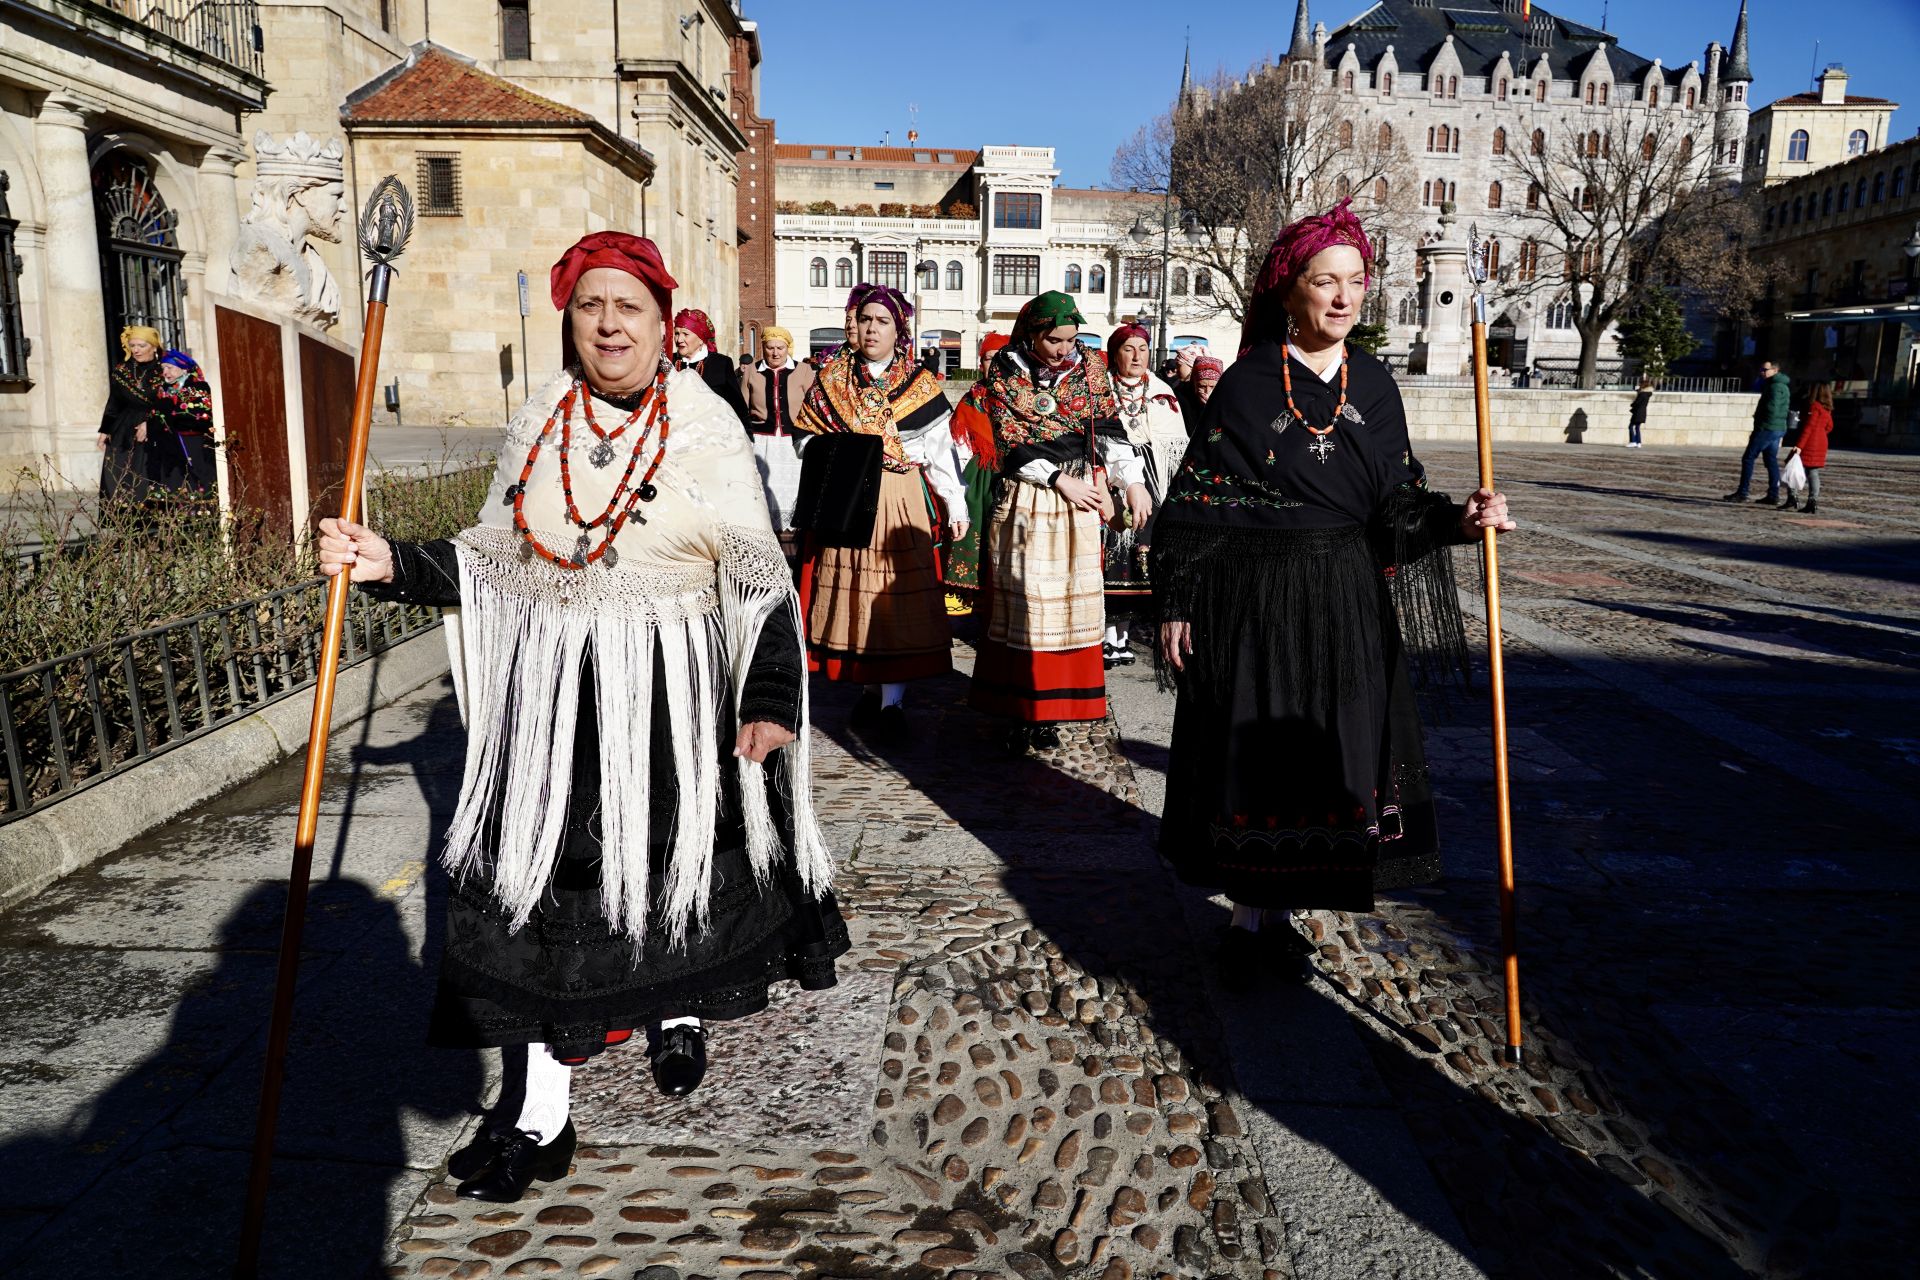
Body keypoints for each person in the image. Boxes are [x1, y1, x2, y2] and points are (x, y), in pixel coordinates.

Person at [314, 231, 848, 1202]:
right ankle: (540, 1117)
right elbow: (491, 556)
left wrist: (768, 698)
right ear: (570, 318)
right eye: (591, 305)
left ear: (658, 321)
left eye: (629, 307)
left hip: (674, 698)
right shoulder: (542, 423)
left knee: (672, 876)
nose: (609, 323)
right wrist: (390, 560)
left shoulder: (706, 423)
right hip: (556, 709)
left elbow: (760, 575)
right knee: (542, 911)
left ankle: (675, 1013)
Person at [1150, 199, 1513, 986]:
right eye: (1326, 282)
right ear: (1290, 290)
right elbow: (1197, 501)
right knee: (1258, 752)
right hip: (1253, 596)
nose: (1344, 298)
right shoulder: (1246, 384)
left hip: (1346, 596)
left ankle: (1289, 909)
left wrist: (1462, 516)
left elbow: (1398, 508)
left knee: (1328, 753)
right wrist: (1178, 600)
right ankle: (1253, 923)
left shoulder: (1376, 386)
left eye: (1355, 282)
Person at [956, 291, 1150, 753]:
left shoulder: (1091, 369)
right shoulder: (1003, 371)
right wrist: (1059, 478)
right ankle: (1019, 707)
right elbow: (1009, 444)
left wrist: (1131, 482)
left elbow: (1109, 430)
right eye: (1056, 340)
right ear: (1033, 334)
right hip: (1030, 496)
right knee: (1027, 604)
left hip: (1079, 499)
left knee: (1068, 605)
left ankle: (1056, 705)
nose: (1066, 349)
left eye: (1072, 338)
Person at [793, 283, 968, 741]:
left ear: (899, 331)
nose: (872, 329)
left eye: (883, 321)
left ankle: (893, 702)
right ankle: (870, 691)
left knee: (892, 600)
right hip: (849, 497)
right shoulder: (831, 378)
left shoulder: (919, 385)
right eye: (865, 319)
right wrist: (841, 449)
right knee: (858, 598)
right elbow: (803, 440)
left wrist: (955, 502)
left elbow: (939, 451)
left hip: (897, 494)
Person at [1101, 323, 1184, 667]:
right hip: (1110, 478)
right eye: (1128, 349)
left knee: (1139, 556)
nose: (1137, 356)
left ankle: (1124, 634)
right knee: (1112, 555)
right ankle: (1106, 636)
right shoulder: (1099, 389)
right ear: (1115, 353)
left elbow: (1174, 441)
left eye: (1143, 349)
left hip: (1152, 481)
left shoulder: (1162, 390)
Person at [737, 325, 815, 531]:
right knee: (763, 486)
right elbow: (742, 406)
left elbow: (814, 405)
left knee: (794, 487)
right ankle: (765, 528)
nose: (775, 353)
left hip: (793, 441)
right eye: (770, 347)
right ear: (763, 347)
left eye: (780, 348)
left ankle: (794, 530)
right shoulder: (752, 370)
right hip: (763, 441)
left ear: (787, 348)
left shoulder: (804, 370)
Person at [97, 325, 166, 505]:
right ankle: (124, 520)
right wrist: (105, 430)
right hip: (124, 427)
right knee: (118, 472)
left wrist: (150, 421)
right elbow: (114, 401)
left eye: (141, 346)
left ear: (153, 346)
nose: (136, 350)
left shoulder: (164, 370)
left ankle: (149, 518)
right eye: (132, 345)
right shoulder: (122, 370)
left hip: (153, 424)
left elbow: (168, 401)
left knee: (145, 473)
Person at [1724, 360, 1791, 503]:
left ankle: (1743, 492)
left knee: (1748, 458)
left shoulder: (1775, 387)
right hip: (1776, 427)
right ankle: (1773, 494)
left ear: (1775, 370)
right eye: (1761, 369)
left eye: (1765, 369)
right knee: (1770, 460)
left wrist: (1760, 419)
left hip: (1767, 428)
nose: (1762, 372)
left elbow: (1772, 408)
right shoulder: (1776, 385)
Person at [155, 350, 218, 496]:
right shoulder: (164, 389)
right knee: (175, 480)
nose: (165, 372)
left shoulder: (198, 386)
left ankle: (202, 512)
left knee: (197, 478)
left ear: (184, 368)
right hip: (171, 444)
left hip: (194, 442)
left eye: (169, 367)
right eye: (163, 368)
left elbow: (200, 415)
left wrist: (172, 414)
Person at [673, 307, 750, 424]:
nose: (679, 339)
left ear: (700, 339)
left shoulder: (720, 363)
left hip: (712, 435)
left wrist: (748, 437)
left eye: (685, 334)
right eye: (677, 333)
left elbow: (738, 406)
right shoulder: (669, 361)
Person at [1779, 380, 1833, 513]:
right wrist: (1821, 434)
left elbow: (1808, 428)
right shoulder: (1827, 408)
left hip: (1810, 442)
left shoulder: (1814, 407)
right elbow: (1829, 426)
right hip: (1821, 441)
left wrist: (1799, 446)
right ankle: (1812, 501)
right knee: (1813, 472)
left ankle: (1793, 497)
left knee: (1792, 467)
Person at [1628, 375, 1652, 448]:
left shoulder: (1642, 394)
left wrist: (1632, 404)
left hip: (1637, 412)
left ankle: (1633, 441)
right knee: (1637, 427)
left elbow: (1637, 402)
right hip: (1643, 412)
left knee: (1631, 426)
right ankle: (1638, 442)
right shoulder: (1647, 394)